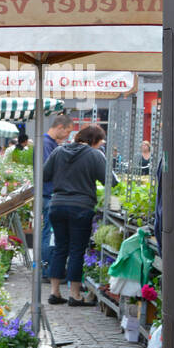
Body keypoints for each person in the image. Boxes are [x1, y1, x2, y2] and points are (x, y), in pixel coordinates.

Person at [45, 122, 107, 307]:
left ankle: (54, 292)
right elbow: (111, 181)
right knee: (77, 250)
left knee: (60, 247)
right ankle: (75, 295)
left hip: (57, 205)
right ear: (94, 141)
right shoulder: (95, 155)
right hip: (81, 207)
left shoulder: (58, 151)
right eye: (100, 142)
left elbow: (44, 175)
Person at [41, 112, 74, 279]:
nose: (67, 135)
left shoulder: (48, 143)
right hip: (48, 194)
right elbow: (48, 169)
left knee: (48, 232)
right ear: (60, 127)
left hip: (48, 193)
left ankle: (48, 269)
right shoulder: (47, 144)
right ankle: (47, 270)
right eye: (67, 131)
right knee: (49, 233)